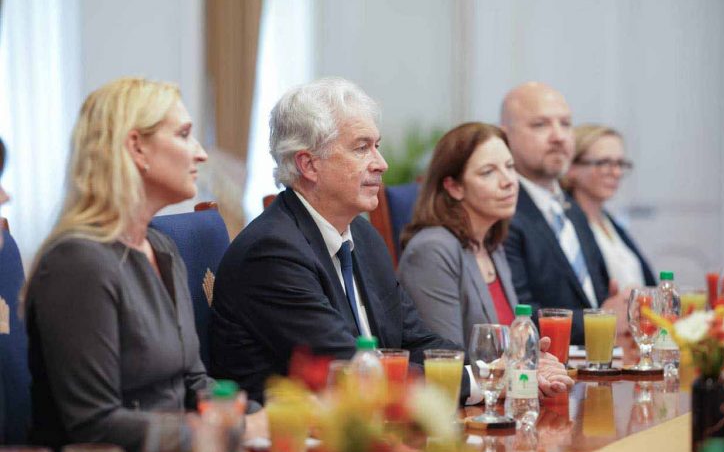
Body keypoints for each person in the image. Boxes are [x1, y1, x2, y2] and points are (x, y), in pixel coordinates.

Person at [210, 78, 572, 405]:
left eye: (377, 146)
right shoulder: (272, 253)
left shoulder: (362, 235)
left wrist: (504, 363)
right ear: (309, 165)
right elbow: (349, 370)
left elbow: (414, 339)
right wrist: (488, 379)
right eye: (361, 148)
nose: (380, 163)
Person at [23, 78, 263, 452]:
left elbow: (194, 382)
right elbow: (94, 424)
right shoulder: (77, 263)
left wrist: (254, 414)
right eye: (184, 135)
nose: (200, 153)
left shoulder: (162, 248)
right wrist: (222, 431)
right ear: (136, 147)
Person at [500, 82, 629, 345]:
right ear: (505, 137)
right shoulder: (503, 211)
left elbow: (601, 298)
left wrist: (615, 305)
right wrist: (604, 318)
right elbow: (519, 318)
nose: (558, 136)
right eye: (540, 125)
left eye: (566, 124)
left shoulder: (572, 209)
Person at [398, 123, 520, 348]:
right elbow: (444, 358)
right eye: (488, 172)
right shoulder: (432, 250)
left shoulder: (492, 244)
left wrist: (535, 359)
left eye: (510, 166)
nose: (509, 181)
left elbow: (512, 345)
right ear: (454, 187)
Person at [564, 124, 655, 287]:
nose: (616, 173)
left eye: (620, 163)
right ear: (571, 167)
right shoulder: (565, 225)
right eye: (604, 163)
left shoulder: (610, 223)